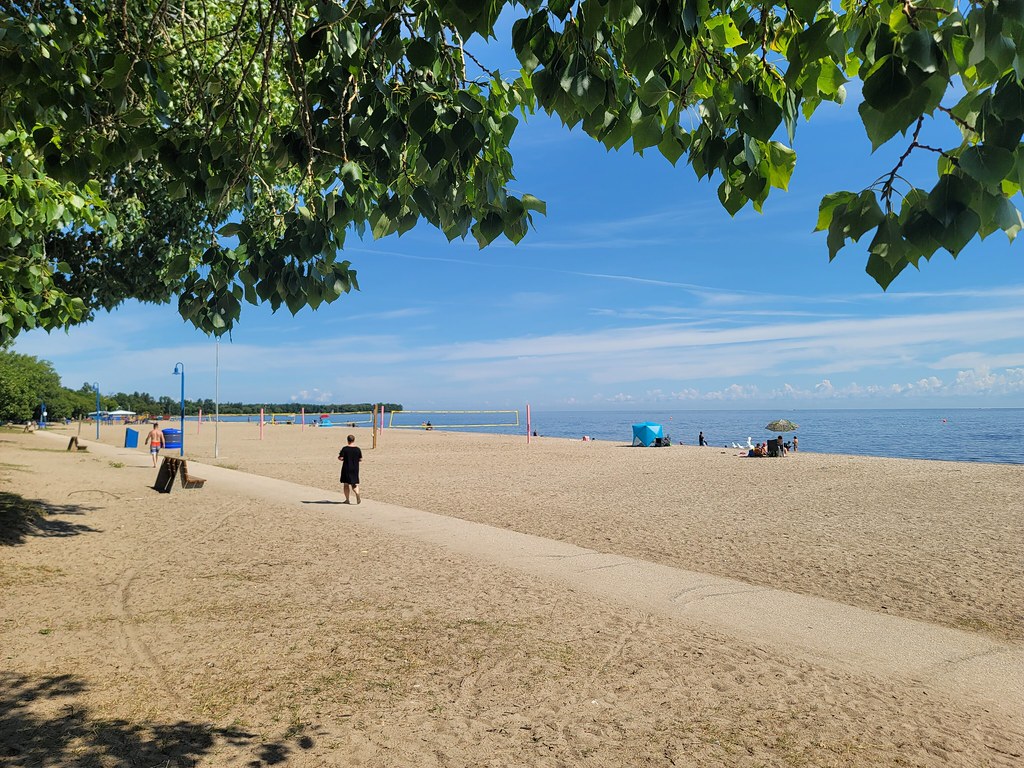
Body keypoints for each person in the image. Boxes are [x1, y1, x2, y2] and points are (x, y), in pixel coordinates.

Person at [337, 434, 362, 504]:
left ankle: (347, 499)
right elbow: (360, 459)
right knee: (354, 483)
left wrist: (341, 458)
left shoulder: (345, 449)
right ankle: (357, 493)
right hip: (355, 468)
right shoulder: (357, 449)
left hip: (347, 467)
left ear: (348, 440)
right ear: (354, 440)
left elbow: (341, 458)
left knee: (346, 484)